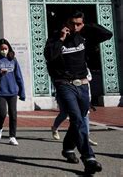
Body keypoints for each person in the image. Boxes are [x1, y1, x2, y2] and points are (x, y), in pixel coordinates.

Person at [44, 11, 112, 175]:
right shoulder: (55, 38)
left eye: (78, 24)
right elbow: (50, 56)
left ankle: (68, 148)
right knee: (76, 118)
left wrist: (85, 26)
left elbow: (107, 34)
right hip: (64, 84)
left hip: (82, 84)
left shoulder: (84, 37)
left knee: (79, 120)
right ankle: (89, 158)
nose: (75, 27)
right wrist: (60, 39)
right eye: (72, 23)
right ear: (66, 23)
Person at [0, 38, 25, 146]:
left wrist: (22, 92)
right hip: (0, 92)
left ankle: (12, 136)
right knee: (2, 113)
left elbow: (19, 77)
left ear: (9, 49)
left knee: (13, 114)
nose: (4, 51)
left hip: (12, 91)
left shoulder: (13, 60)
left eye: (6, 48)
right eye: (2, 49)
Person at [51, 71, 98, 146]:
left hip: (82, 92)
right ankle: (55, 128)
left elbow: (88, 78)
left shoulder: (83, 66)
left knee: (84, 114)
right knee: (64, 114)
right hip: (66, 92)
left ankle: (85, 137)